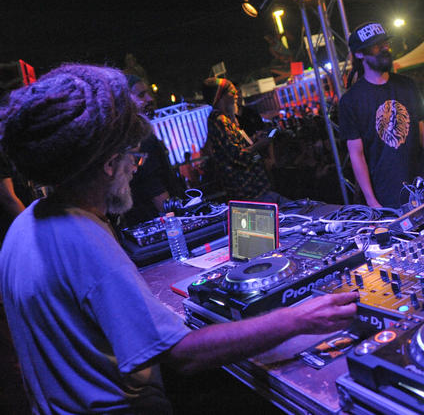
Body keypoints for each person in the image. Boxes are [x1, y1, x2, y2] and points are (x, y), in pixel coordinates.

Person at [0, 64, 357, 412]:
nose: (133, 169)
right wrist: (296, 318)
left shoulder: (24, 225)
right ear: (109, 164)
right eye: (132, 159)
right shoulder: (82, 238)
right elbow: (183, 354)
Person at [339, 22, 424, 207]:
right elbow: (356, 154)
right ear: (360, 54)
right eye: (377, 46)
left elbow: (423, 133)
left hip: (421, 185)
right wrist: (371, 200)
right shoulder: (351, 101)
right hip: (385, 193)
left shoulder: (407, 85)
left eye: (386, 44)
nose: (385, 49)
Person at [201, 77, 285, 204]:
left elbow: (238, 150)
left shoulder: (225, 119)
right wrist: (260, 144)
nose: (236, 95)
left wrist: (255, 141)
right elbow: (238, 157)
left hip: (254, 189)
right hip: (250, 191)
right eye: (232, 92)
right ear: (221, 96)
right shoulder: (220, 121)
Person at [123, 74, 182, 226]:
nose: (150, 99)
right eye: (141, 95)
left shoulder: (127, 139)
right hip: (160, 222)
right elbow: (156, 190)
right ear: (126, 102)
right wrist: (177, 222)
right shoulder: (142, 139)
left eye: (148, 93)